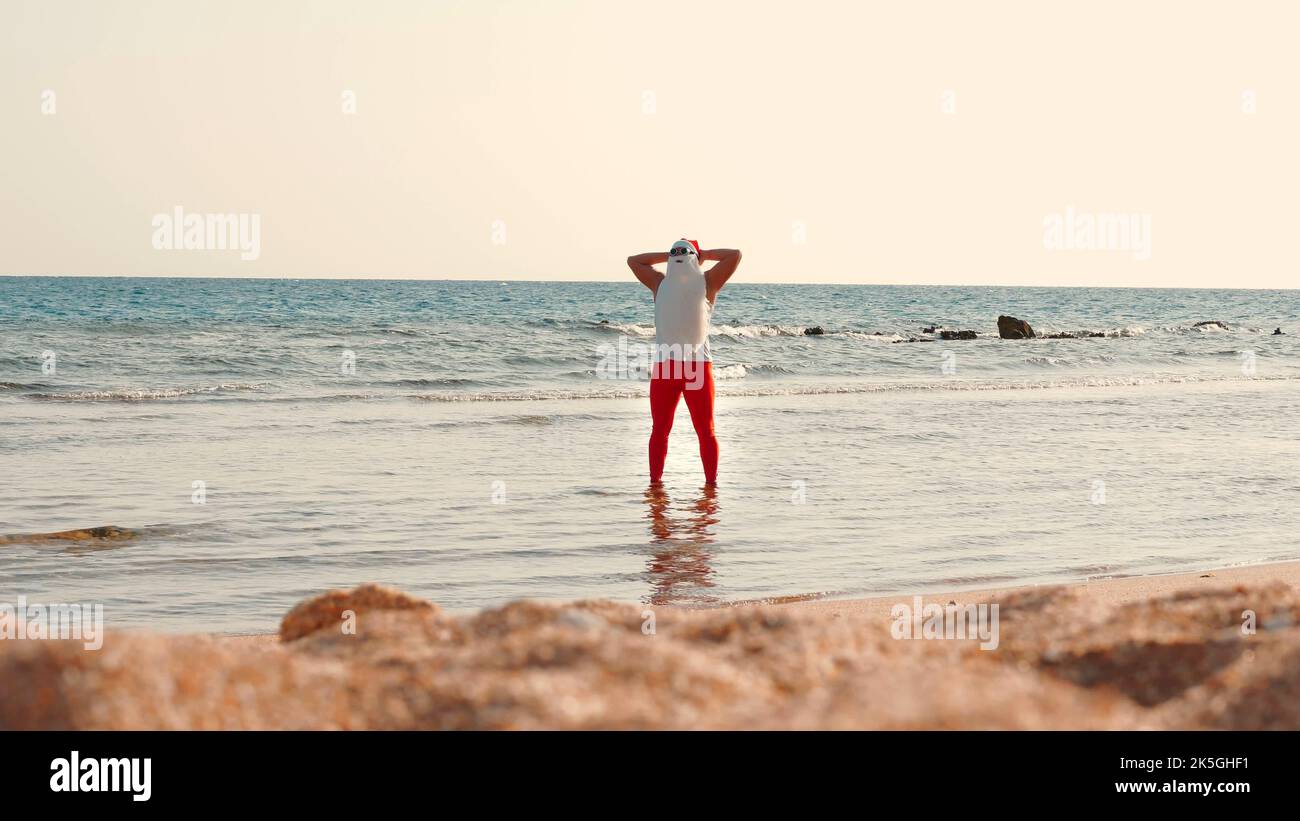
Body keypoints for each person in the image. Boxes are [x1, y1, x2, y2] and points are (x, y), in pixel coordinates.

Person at [626, 239, 742, 485]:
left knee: (661, 430)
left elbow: (633, 261)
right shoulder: (708, 282)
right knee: (704, 431)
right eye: (675, 253)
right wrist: (704, 254)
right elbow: (734, 255)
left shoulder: (659, 284)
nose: (677, 257)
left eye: (680, 253)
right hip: (696, 368)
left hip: (668, 368)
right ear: (695, 258)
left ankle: (655, 484)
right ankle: (710, 485)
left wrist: (668, 255)